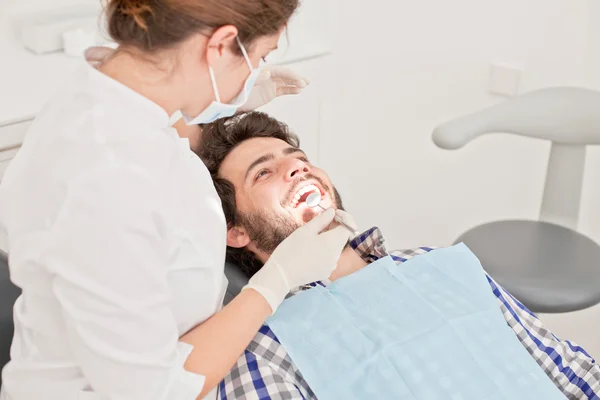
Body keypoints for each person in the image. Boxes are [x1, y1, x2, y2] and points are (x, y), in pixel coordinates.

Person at [0, 1, 353, 399]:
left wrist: (226, 101)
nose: (255, 70)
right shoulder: (104, 184)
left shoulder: (113, 96)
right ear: (220, 46)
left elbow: (161, 135)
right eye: (258, 57)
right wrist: (276, 280)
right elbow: (153, 390)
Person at [197, 112, 600, 400]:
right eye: (263, 173)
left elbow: (568, 368)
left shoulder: (436, 263)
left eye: (300, 160)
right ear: (236, 232)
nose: (297, 169)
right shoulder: (260, 349)